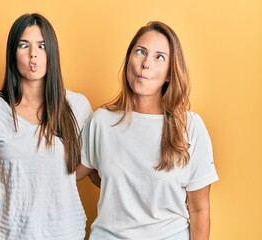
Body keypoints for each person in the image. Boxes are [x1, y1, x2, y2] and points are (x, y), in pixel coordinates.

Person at [77, 21, 219, 240]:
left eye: (159, 57)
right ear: (128, 59)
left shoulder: (190, 126)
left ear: (170, 74)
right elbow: (71, 173)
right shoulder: (100, 122)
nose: (145, 63)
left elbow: (200, 210)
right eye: (140, 52)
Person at [0, 13, 92, 240]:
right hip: (8, 234)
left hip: (66, 233)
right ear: (12, 53)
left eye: (42, 46)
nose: (33, 53)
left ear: (52, 53)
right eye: (24, 45)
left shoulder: (77, 106)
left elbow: (90, 164)